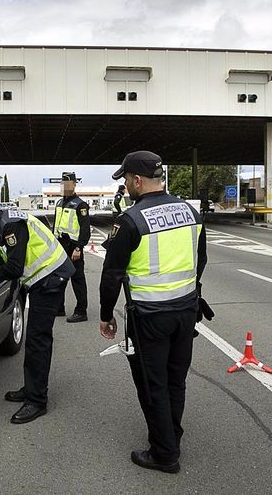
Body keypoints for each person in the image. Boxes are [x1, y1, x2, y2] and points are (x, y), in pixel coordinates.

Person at [98, 150, 207, 474]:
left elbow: (112, 274)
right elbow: (200, 261)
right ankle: (172, 435)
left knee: (152, 384)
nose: (127, 186)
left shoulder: (130, 220)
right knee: (176, 380)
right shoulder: (190, 212)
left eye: (127, 180)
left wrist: (106, 315)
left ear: (137, 180)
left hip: (149, 317)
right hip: (186, 311)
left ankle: (164, 454)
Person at [0, 192, 75, 424]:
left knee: (37, 341)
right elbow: (5, 260)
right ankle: (31, 389)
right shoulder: (2, 225)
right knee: (34, 341)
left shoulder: (11, 226)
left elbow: (13, 268)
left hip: (50, 279)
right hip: (45, 279)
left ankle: (37, 401)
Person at [53, 171, 91, 322]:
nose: (65, 187)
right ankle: (59, 308)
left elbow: (85, 229)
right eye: (63, 184)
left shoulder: (80, 205)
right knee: (60, 278)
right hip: (60, 246)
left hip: (73, 246)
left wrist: (78, 248)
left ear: (74, 185)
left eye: (68, 184)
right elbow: (56, 226)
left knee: (78, 280)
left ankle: (81, 311)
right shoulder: (59, 203)